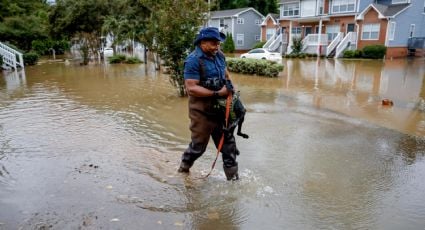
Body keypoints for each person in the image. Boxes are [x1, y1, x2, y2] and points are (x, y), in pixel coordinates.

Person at [177, 27, 240, 181]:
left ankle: (233, 182)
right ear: (202, 42)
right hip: (201, 112)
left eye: (218, 43)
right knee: (199, 146)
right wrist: (218, 93)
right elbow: (191, 88)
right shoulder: (193, 60)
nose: (217, 46)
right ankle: (183, 169)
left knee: (228, 146)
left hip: (221, 109)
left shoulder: (219, 55)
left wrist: (231, 88)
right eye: (213, 43)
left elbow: (225, 73)